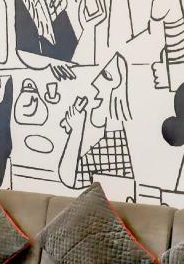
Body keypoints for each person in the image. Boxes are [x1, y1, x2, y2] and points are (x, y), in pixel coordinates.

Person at [57, 52, 136, 189]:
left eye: (106, 75)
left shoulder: (114, 140)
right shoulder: (109, 134)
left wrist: (76, 130)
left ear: (117, 86)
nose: (96, 82)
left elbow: (71, 179)